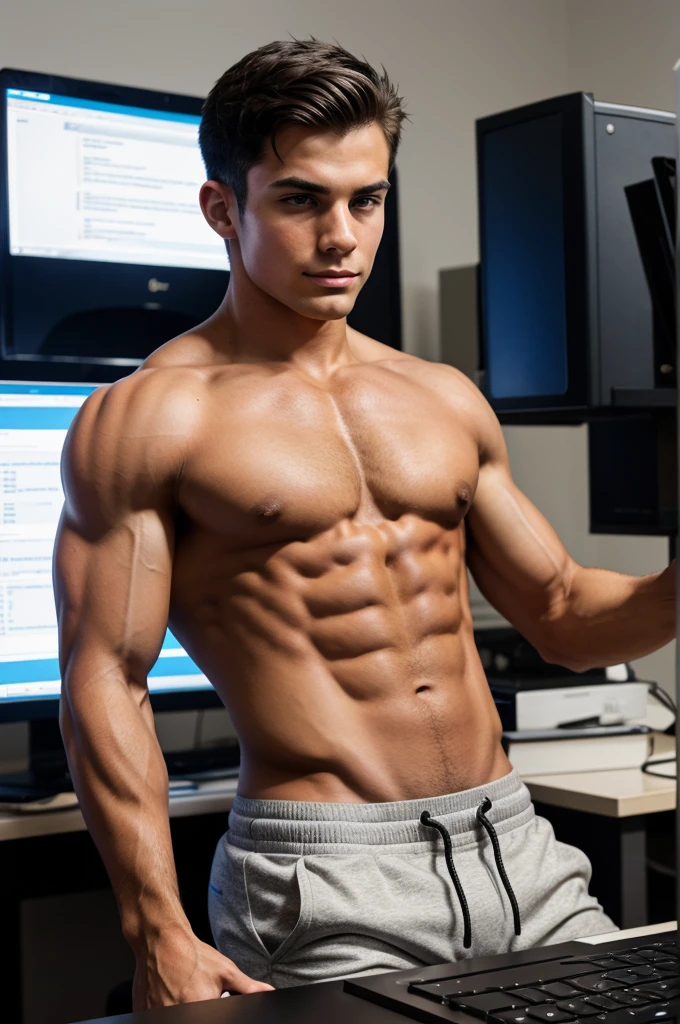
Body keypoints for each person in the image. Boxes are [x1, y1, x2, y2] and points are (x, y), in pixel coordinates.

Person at [53, 38, 675, 1011]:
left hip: (514, 846)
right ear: (223, 208)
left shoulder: (439, 399)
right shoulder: (151, 418)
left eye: (366, 199)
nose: (341, 235)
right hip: (324, 877)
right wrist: (157, 930)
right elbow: (105, 677)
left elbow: (559, 612)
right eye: (301, 200)